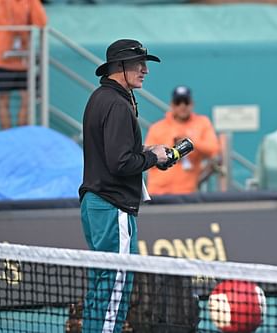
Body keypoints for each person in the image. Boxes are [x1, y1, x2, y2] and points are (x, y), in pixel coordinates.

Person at [78, 39, 170, 333]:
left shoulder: (101, 97)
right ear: (119, 68)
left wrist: (147, 150)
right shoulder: (117, 104)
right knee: (115, 286)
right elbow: (120, 164)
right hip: (112, 206)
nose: (145, 69)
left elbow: (115, 151)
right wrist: (152, 157)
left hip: (96, 204)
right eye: (138, 64)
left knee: (102, 285)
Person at [145, 85, 220, 195]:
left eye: (186, 102)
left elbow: (214, 149)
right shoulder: (157, 127)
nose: (182, 106)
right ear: (172, 105)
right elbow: (148, 157)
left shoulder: (202, 123)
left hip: (186, 191)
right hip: (158, 190)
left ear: (192, 104)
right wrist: (172, 147)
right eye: (178, 102)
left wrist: (188, 142)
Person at [0, 0, 47, 129]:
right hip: (2, 59)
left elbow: (41, 22)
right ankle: (7, 134)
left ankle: (22, 130)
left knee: (28, 97)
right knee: (2, 99)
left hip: (24, 59)